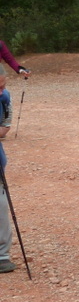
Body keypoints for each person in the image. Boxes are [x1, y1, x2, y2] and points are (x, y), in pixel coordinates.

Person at [0, 68, 16, 273]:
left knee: (0, 204)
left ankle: (2, 254)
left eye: (2, 86)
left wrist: (2, 130)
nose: (1, 91)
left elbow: (6, 123)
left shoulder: (4, 96)